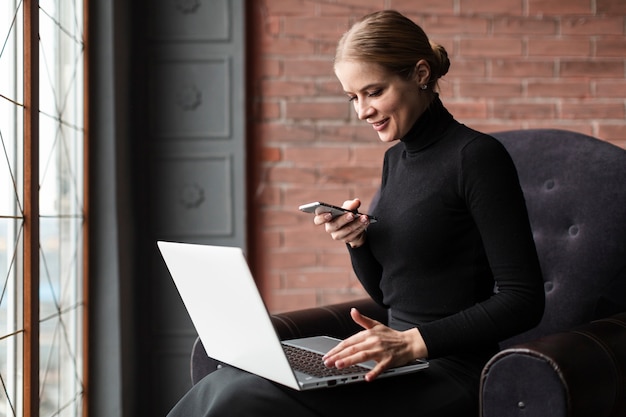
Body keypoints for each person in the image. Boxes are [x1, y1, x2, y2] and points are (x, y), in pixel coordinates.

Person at [167, 10, 545, 417]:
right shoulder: (394, 160)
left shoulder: (477, 158)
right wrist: (359, 242)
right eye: (353, 97)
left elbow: (523, 299)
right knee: (224, 381)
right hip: (390, 362)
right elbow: (388, 294)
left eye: (374, 91)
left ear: (420, 74)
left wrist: (412, 343)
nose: (362, 111)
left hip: (448, 371)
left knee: (243, 398)